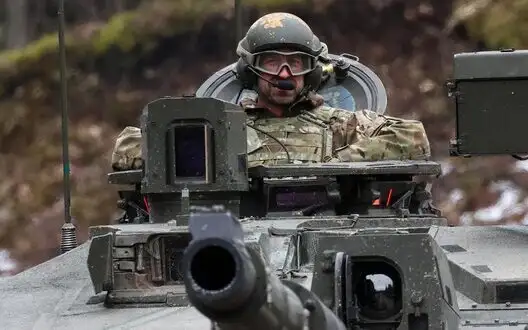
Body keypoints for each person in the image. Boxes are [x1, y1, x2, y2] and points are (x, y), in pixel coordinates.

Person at [111, 12, 430, 171]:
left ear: (314, 70)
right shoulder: (222, 130)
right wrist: (202, 156)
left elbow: (412, 137)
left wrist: (337, 164)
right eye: (273, 62)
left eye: (295, 62)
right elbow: (128, 145)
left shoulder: (342, 126)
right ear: (250, 70)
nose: (285, 74)